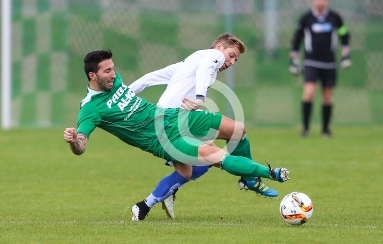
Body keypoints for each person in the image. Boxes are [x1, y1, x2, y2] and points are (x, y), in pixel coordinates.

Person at [63, 49, 290, 221]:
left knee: (237, 130)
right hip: (164, 139)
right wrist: (75, 141)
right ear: (92, 75)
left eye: (113, 68)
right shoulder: (90, 109)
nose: (113, 74)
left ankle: (247, 179)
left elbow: (140, 85)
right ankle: (271, 172)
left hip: (172, 116)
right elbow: (81, 146)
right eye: (107, 71)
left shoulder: (115, 81)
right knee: (215, 156)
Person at [129, 33, 278, 220]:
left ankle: (143, 206)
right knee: (237, 130)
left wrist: (125, 96)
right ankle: (250, 179)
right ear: (219, 47)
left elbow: (149, 78)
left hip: (164, 123)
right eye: (231, 55)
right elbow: (206, 67)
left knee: (192, 168)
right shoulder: (211, 55)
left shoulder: (188, 63)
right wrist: (200, 97)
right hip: (176, 118)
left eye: (236, 60)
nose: (232, 62)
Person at [289, 0, 351, 137]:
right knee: (309, 92)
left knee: (327, 95)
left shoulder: (335, 17)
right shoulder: (306, 18)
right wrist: (293, 59)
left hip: (329, 61)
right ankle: (305, 129)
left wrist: (346, 53)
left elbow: (343, 33)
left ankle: (325, 130)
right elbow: (297, 38)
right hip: (311, 60)